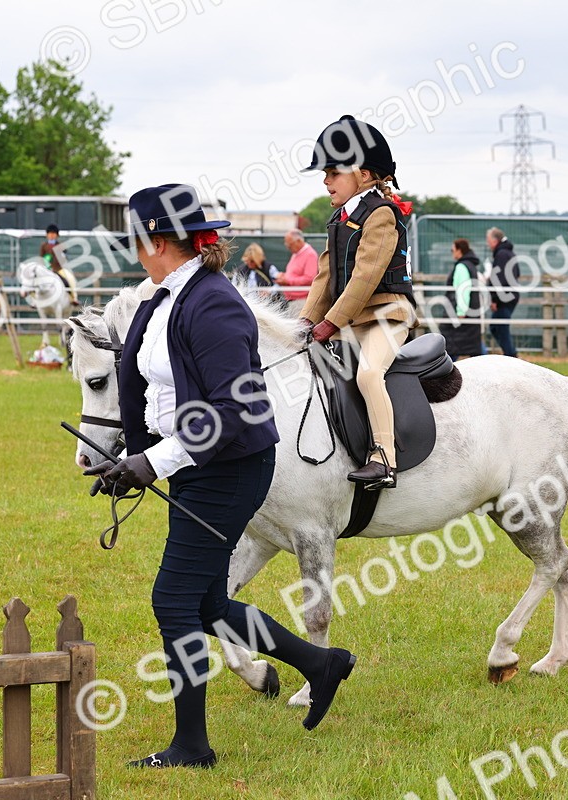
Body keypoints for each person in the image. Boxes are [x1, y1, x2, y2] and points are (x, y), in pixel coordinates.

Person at [84, 184, 357, 769]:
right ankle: (320, 663)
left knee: (173, 601)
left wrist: (149, 462)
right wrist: (130, 460)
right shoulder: (165, 297)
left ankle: (191, 747)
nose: (133, 248)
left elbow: (234, 411)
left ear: (157, 240)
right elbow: (160, 389)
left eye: (135, 238)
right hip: (196, 465)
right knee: (207, 602)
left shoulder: (212, 305)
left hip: (229, 471)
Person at [300, 115, 418, 490]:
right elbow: (324, 277)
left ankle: (384, 458)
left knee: (368, 373)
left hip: (387, 315)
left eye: (333, 172)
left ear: (364, 175)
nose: (326, 180)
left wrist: (330, 323)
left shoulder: (382, 214)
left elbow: (365, 278)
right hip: (352, 322)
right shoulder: (340, 218)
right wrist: (304, 323)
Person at [438, 239, 484, 360]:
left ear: (459, 250)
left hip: (459, 312)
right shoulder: (470, 265)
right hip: (468, 312)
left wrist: (461, 312)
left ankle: (446, 369)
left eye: (453, 250)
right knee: (473, 346)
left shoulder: (461, 266)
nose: (452, 253)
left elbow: (463, 289)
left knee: (452, 344)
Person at [485, 226, 521, 357]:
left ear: (495, 241)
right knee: (496, 327)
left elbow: (498, 279)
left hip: (504, 298)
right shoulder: (508, 253)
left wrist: (495, 299)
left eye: (488, 240)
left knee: (500, 328)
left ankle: (512, 356)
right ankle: (510, 354)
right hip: (509, 296)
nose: (487, 243)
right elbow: (517, 273)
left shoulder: (501, 254)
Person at [275, 228, 318, 315]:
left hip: (301, 301)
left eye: (290, 245)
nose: (288, 247)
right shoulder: (296, 254)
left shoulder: (310, 254)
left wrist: (288, 281)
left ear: (298, 241)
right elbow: (294, 274)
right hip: (292, 300)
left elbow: (310, 278)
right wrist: (284, 276)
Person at [39, 224, 79, 306]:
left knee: (69, 279)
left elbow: (63, 259)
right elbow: (41, 258)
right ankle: (34, 301)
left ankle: (73, 297)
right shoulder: (43, 246)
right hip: (47, 270)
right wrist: (46, 265)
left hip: (58, 269)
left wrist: (57, 264)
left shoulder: (61, 246)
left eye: (53, 234)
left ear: (57, 235)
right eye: (50, 233)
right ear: (47, 235)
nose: (51, 235)